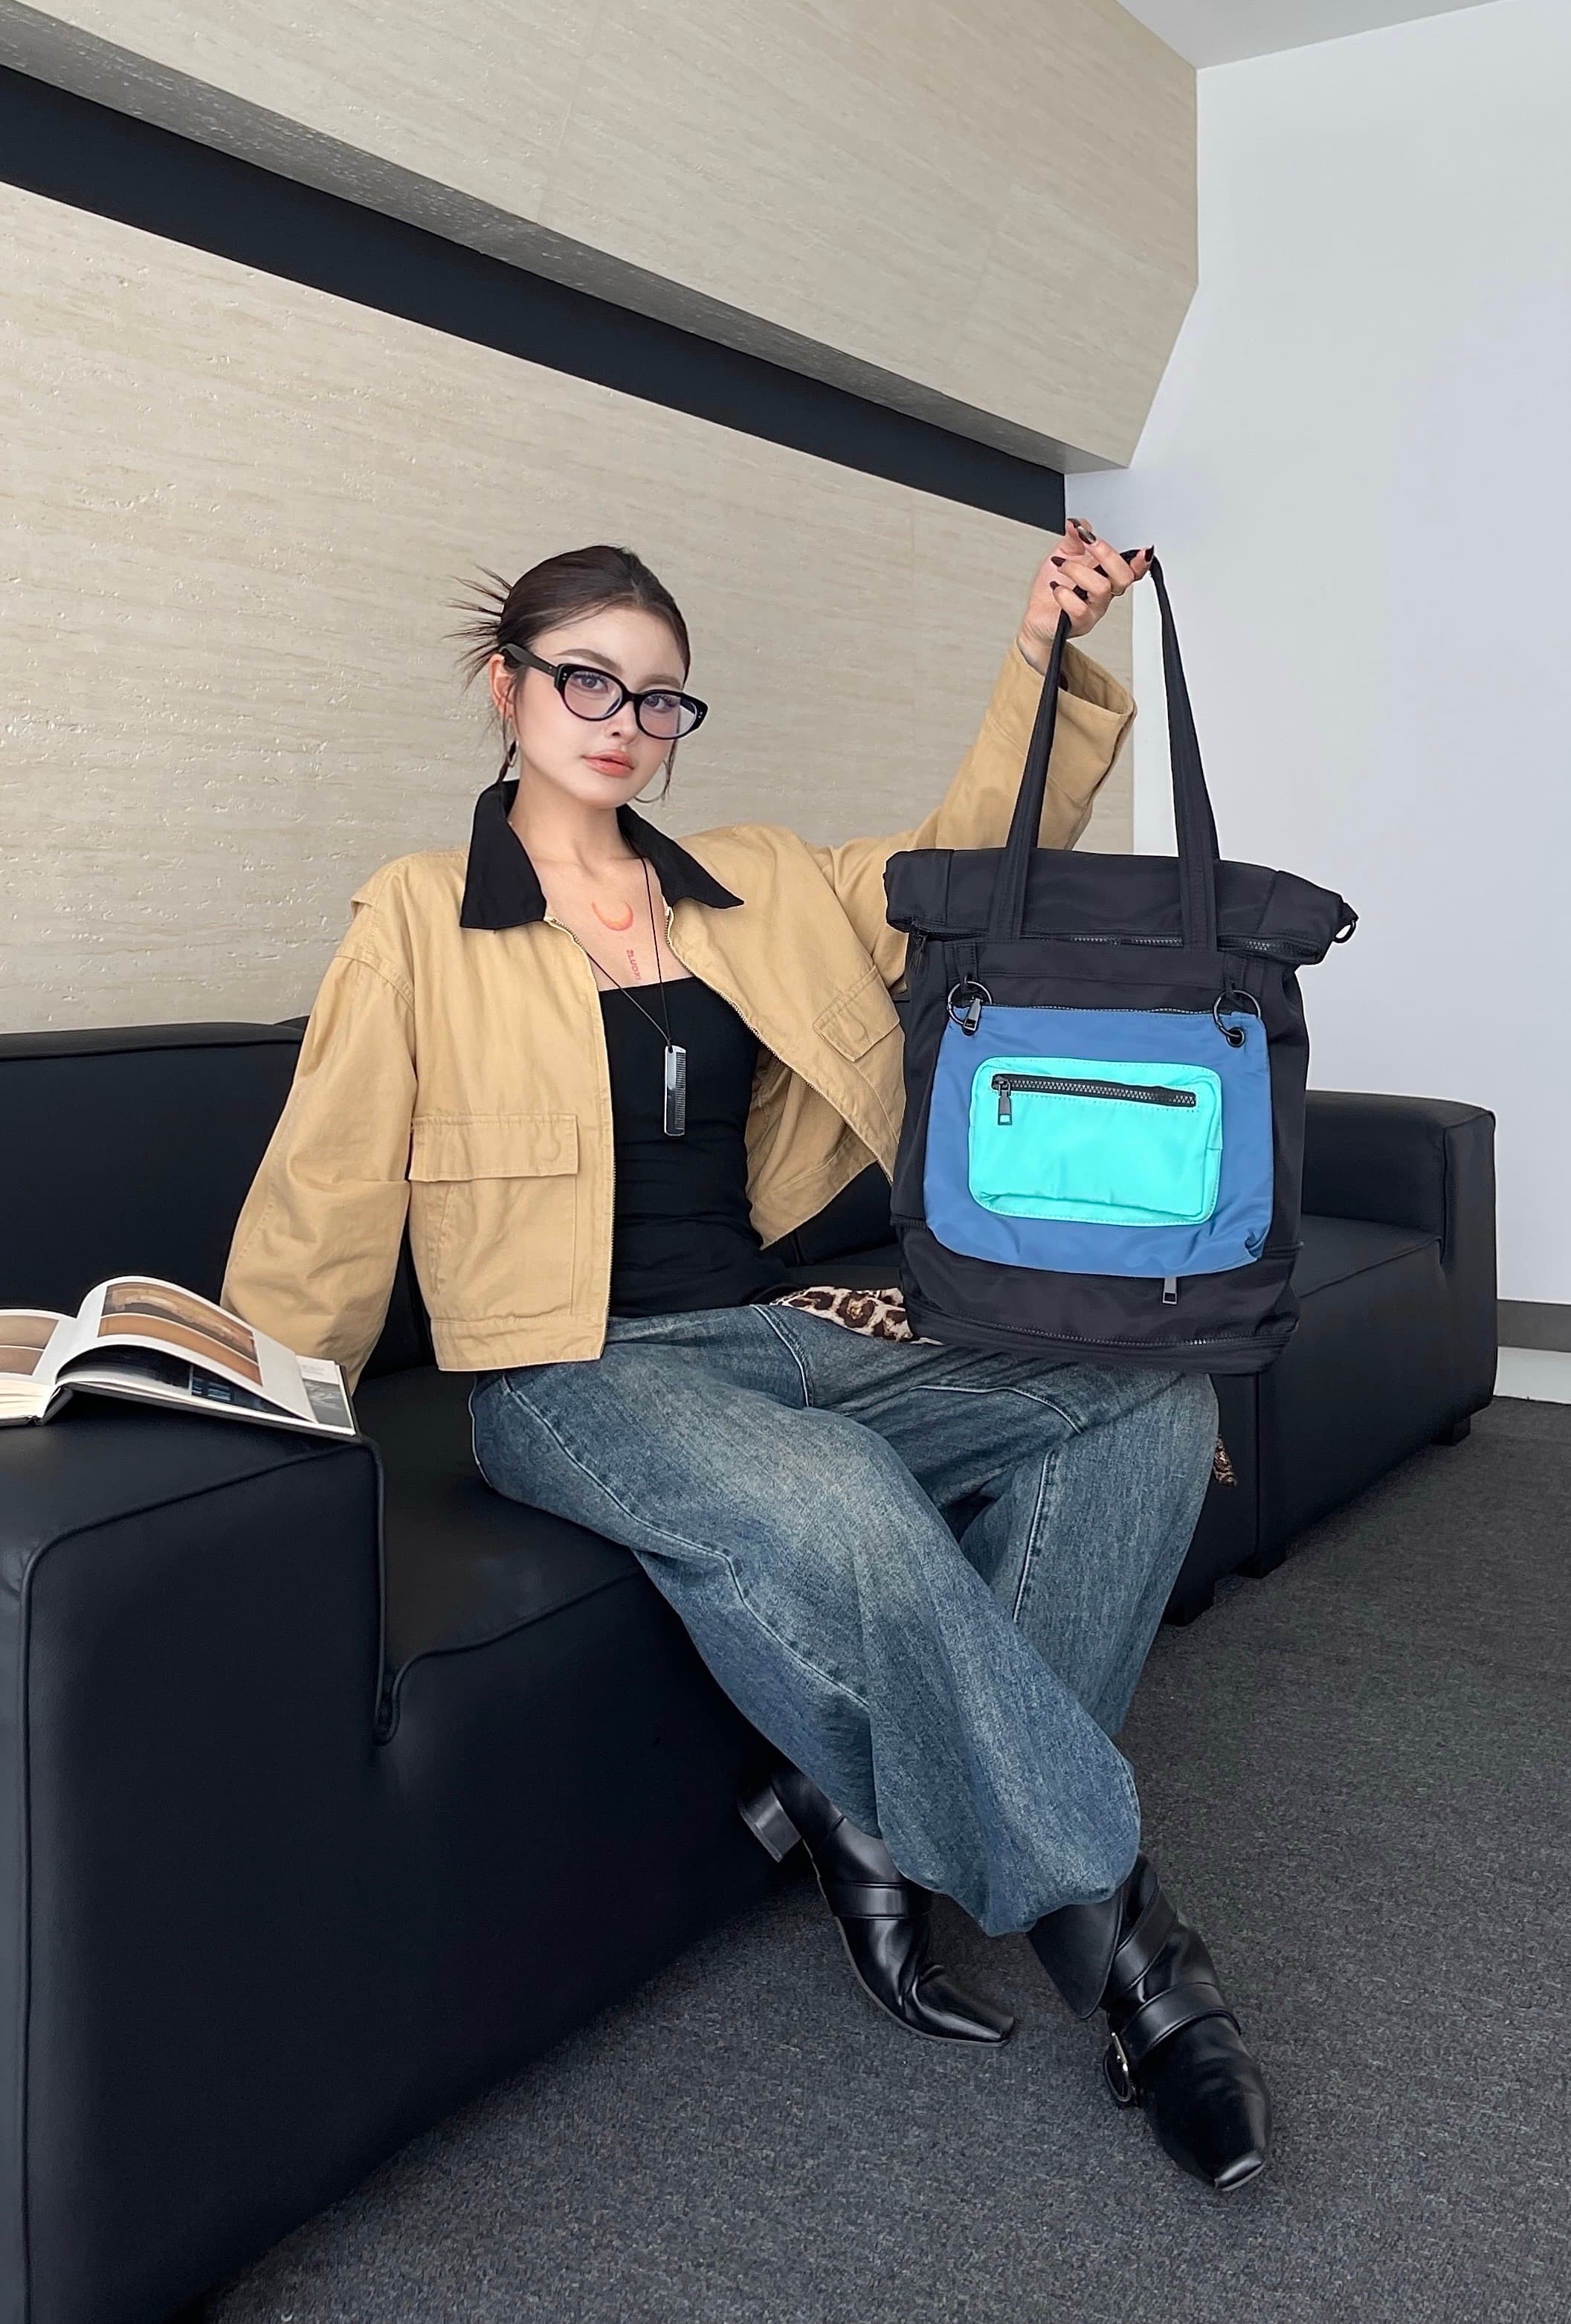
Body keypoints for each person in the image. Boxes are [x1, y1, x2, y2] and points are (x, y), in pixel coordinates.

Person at [222, 523, 1271, 2194]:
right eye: (583, 678)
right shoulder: (419, 917)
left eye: (656, 696)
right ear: (507, 691)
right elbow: (329, 1191)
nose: (619, 718)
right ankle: (1125, 1949)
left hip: (772, 1335)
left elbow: (963, 873)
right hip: (568, 1372)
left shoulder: (757, 884)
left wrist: (1043, 659)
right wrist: (251, 1419)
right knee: (851, 1505)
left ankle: (850, 1798)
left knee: (1151, 1395)